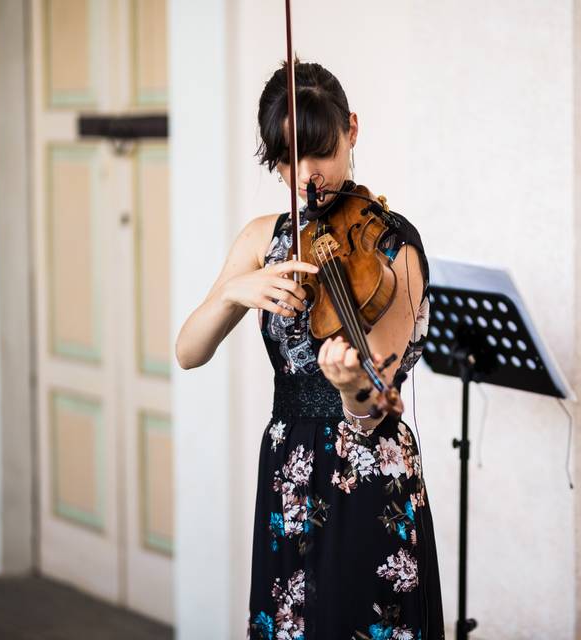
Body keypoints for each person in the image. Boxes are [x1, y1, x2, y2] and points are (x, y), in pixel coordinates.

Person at [175, 60, 444, 640]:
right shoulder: (261, 237)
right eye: (287, 157)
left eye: (320, 151)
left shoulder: (391, 245)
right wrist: (232, 294)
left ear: (352, 130)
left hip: (367, 471)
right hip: (288, 471)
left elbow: (377, 403)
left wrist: (352, 391)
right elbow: (187, 352)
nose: (306, 174)